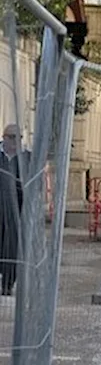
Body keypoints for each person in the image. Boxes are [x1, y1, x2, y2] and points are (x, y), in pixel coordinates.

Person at [0, 124, 25, 296]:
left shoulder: (25, 158)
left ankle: (7, 284)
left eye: (20, 138)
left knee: (12, 247)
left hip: (17, 209)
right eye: (13, 138)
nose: (17, 142)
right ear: (5, 138)